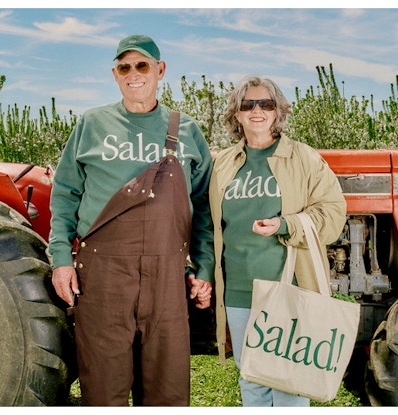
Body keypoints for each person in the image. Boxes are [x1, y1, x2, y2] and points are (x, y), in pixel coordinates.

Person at [48, 34, 214, 406]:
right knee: (104, 386)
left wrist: (204, 268)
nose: (133, 74)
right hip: (103, 274)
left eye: (142, 65)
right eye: (124, 67)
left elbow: (204, 205)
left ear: (160, 70)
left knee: (167, 388)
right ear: (115, 74)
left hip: (167, 275)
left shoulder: (186, 129)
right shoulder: (91, 124)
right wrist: (61, 258)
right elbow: (64, 195)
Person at [208, 75, 347, 406]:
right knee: (252, 381)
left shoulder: (304, 158)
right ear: (236, 115)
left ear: (277, 112)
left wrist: (287, 225)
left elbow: (332, 213)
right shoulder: (223, 164)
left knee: (288, 386)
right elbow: (209, 222)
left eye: (266, 104)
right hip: (240, 291)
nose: (257, 110)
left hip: (287, 288)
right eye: (248, 104)